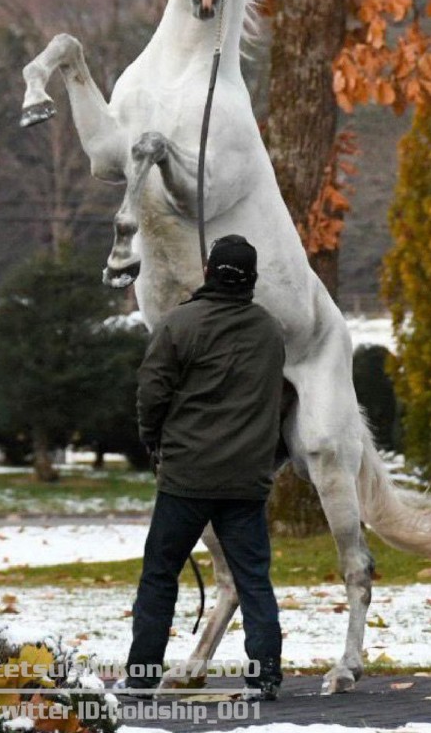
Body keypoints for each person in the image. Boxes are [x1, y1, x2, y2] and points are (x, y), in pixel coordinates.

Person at [118, 234, 286, 701]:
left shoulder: (179, 325)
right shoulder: (269, 331)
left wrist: (153, 441)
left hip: (186, 478)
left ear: (209, 272)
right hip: (246, 482)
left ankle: (143, 674)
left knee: (160, 573)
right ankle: (265, 674)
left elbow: (151, 393)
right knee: (253, 578)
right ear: (251, 280)